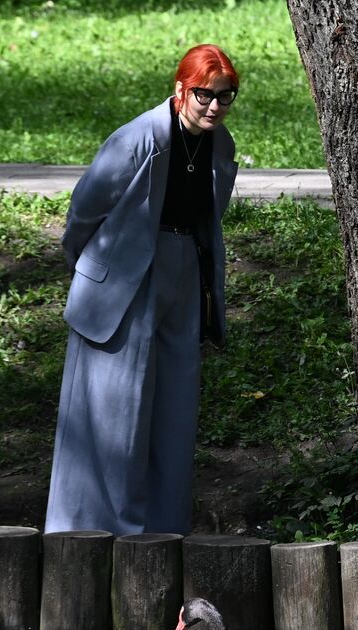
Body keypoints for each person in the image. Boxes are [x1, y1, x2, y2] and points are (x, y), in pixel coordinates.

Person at [44, 44, 240, 535]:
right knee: (115, 413)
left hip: (184, 280)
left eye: (225, 96)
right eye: (204, 95)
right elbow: (83, 213)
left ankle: (161, 533)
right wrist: (93, 272)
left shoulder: (221, 146)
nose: (214, 106)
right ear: (180, 90)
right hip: (125, 280)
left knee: (173, 414)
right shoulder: (136, 140)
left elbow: (209, 221)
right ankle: (91, 535)